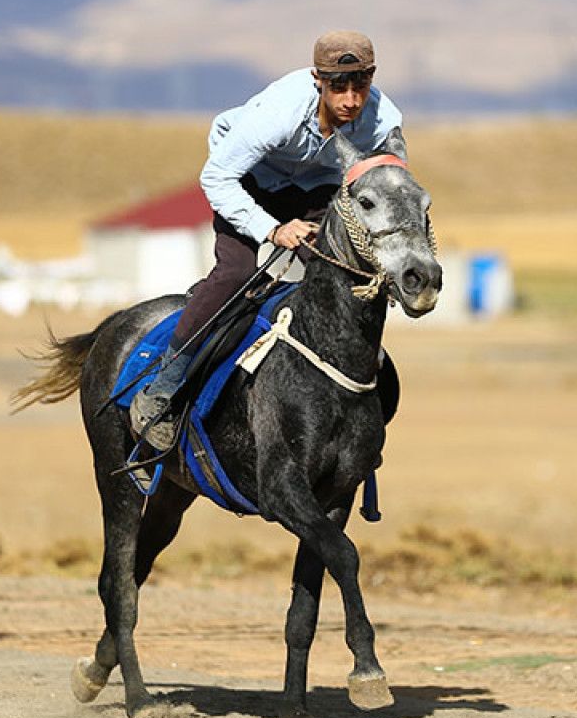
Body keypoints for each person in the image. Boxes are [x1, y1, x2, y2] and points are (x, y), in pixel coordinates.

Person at [129, 30, 404, 449]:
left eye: (360, 86)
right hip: (248, 181)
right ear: (318, 80)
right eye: (338, 87)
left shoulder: (384, 122)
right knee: (235, 274)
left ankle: (358, 378)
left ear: (372, 79)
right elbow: (216, 177)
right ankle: (164, 385)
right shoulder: (279, 112)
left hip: (316, 188)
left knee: (346, 273)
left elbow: (387, 189)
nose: (350, 99)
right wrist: (274, 230)